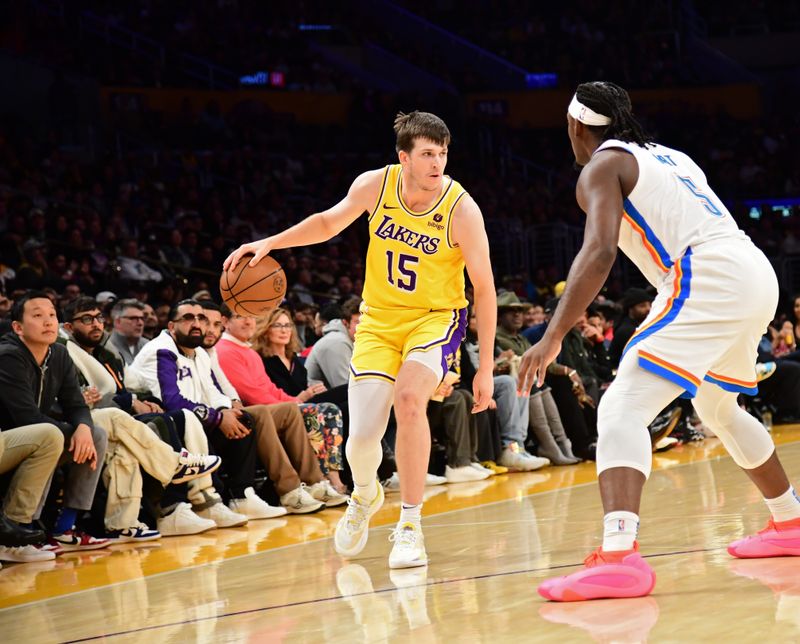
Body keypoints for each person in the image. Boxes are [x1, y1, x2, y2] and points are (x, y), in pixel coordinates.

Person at [518, 81, 799, 602]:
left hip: (707, 273)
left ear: (575, 127)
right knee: (718, 407)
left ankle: (619, 557)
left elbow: (599, 250)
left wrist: (552, 335)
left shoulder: (600, 166)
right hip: (754, 269)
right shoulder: (670, 155)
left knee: (621, 405)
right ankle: (790, 522)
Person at [226, 110, 496, 570]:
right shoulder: (377, 185)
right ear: (404, 158)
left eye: (443, 153)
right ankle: (365, 496)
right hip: (377, 322)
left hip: (435, 319)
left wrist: (485, 367)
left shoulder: (461, 208)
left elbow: (485, 289)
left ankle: (410, 524)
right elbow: (329, 223)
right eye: (428, 154)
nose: (437, 163)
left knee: (410, 399)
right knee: (360, 442)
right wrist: (270, 243)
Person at [109, 299, 149, 365]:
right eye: (133, 318)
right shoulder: (106, 348)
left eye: (142, 318)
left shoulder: (148, 345)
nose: (140, 323)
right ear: (118, 322)